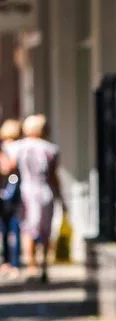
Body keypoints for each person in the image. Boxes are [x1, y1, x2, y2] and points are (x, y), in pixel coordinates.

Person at [5, 115, 59, 282]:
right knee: (45, 229)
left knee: (29, 228)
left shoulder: (18, 147)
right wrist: (60, 195)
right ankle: (43, 265)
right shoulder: (51, 149)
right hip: (45, 191)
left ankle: (31, 265)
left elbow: (9, 167)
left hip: (27, 190)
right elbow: (53, 176)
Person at [0, 120, 22, 275]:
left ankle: (8, 261)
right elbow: (8, 167)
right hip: (13, 191)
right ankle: (15, 262)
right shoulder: (17, 147)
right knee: (15, 227)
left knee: (6, 227)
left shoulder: (6, 148)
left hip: (6, 192)